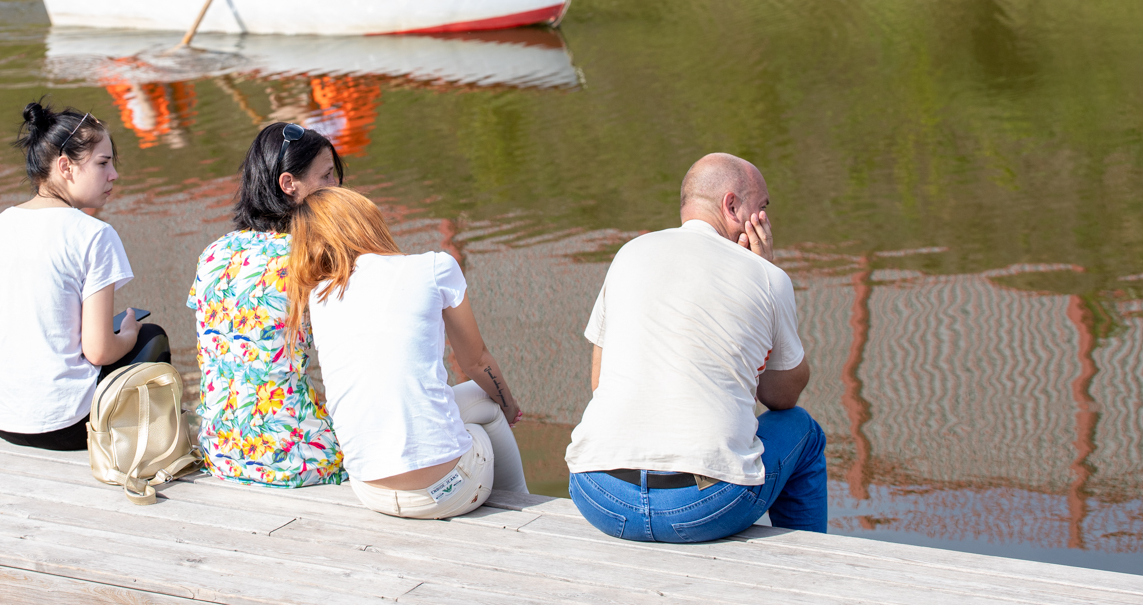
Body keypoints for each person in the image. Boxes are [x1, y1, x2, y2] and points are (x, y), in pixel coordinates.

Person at [566, 153, 827, 543]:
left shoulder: (629, 254)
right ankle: (807, 563)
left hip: (600, 496)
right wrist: (765, 270)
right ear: (732, 206)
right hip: (703, 507)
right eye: (763, 208)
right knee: (802, 430)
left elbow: (599, 382)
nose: (767, 221)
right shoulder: (767, 276)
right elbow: (780, 396)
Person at [0, 102, 171, 450]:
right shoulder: (94, 234)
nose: (114, 174)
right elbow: (99, 350)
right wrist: (130, 335)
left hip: (2, 422)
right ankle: (148, 447)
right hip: (70, 426)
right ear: (65, 166)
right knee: (152, 336)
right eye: (103, 163)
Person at [285, 187, 527, 519]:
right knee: (486, 405)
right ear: (366, 220)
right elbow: (477, 362)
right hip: (446, 492)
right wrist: (510, 405)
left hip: (370, 491)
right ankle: (523, 506)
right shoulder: (434, 268)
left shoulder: (319, 296)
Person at [187, 122, 347, 487]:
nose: (336, 187)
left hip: (223, 451)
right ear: (289, 184)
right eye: (325, 176)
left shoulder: (214, 253)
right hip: (297, 455)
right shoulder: (311, 258)